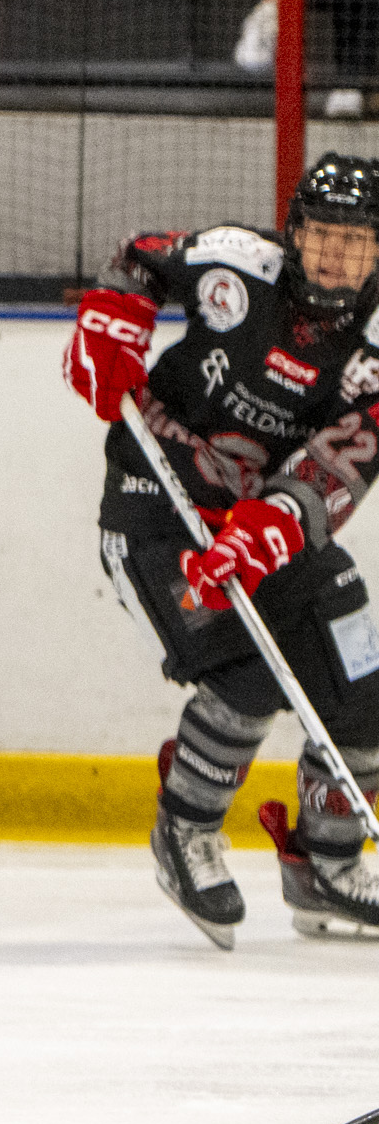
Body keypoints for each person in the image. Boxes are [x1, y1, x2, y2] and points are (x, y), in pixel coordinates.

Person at [64, 154, 379, 946]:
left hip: (262, 520)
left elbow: (345, 460)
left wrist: (274, 525)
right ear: (295, 233)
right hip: (156, 509)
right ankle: (186, 830)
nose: (337, 256)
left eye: (358, 241)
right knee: (246, 674)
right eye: (323, 236)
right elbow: (141, 258)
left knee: (364, 680)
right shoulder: (239, 263)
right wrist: (115, 315)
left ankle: (328, 863)